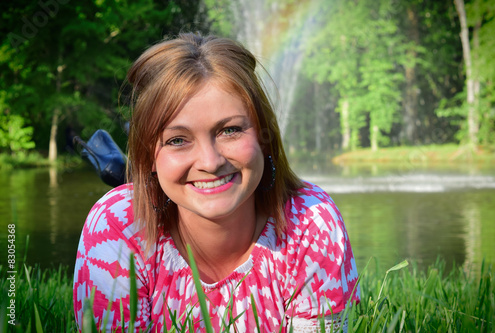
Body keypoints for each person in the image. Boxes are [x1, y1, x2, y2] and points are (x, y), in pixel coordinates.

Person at [73, 32, 359, 332]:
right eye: (177, 139)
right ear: (149, 157)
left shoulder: (312, 224)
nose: (210, 162)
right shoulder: (117, 224)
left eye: (230, 130)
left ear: (265, 137)